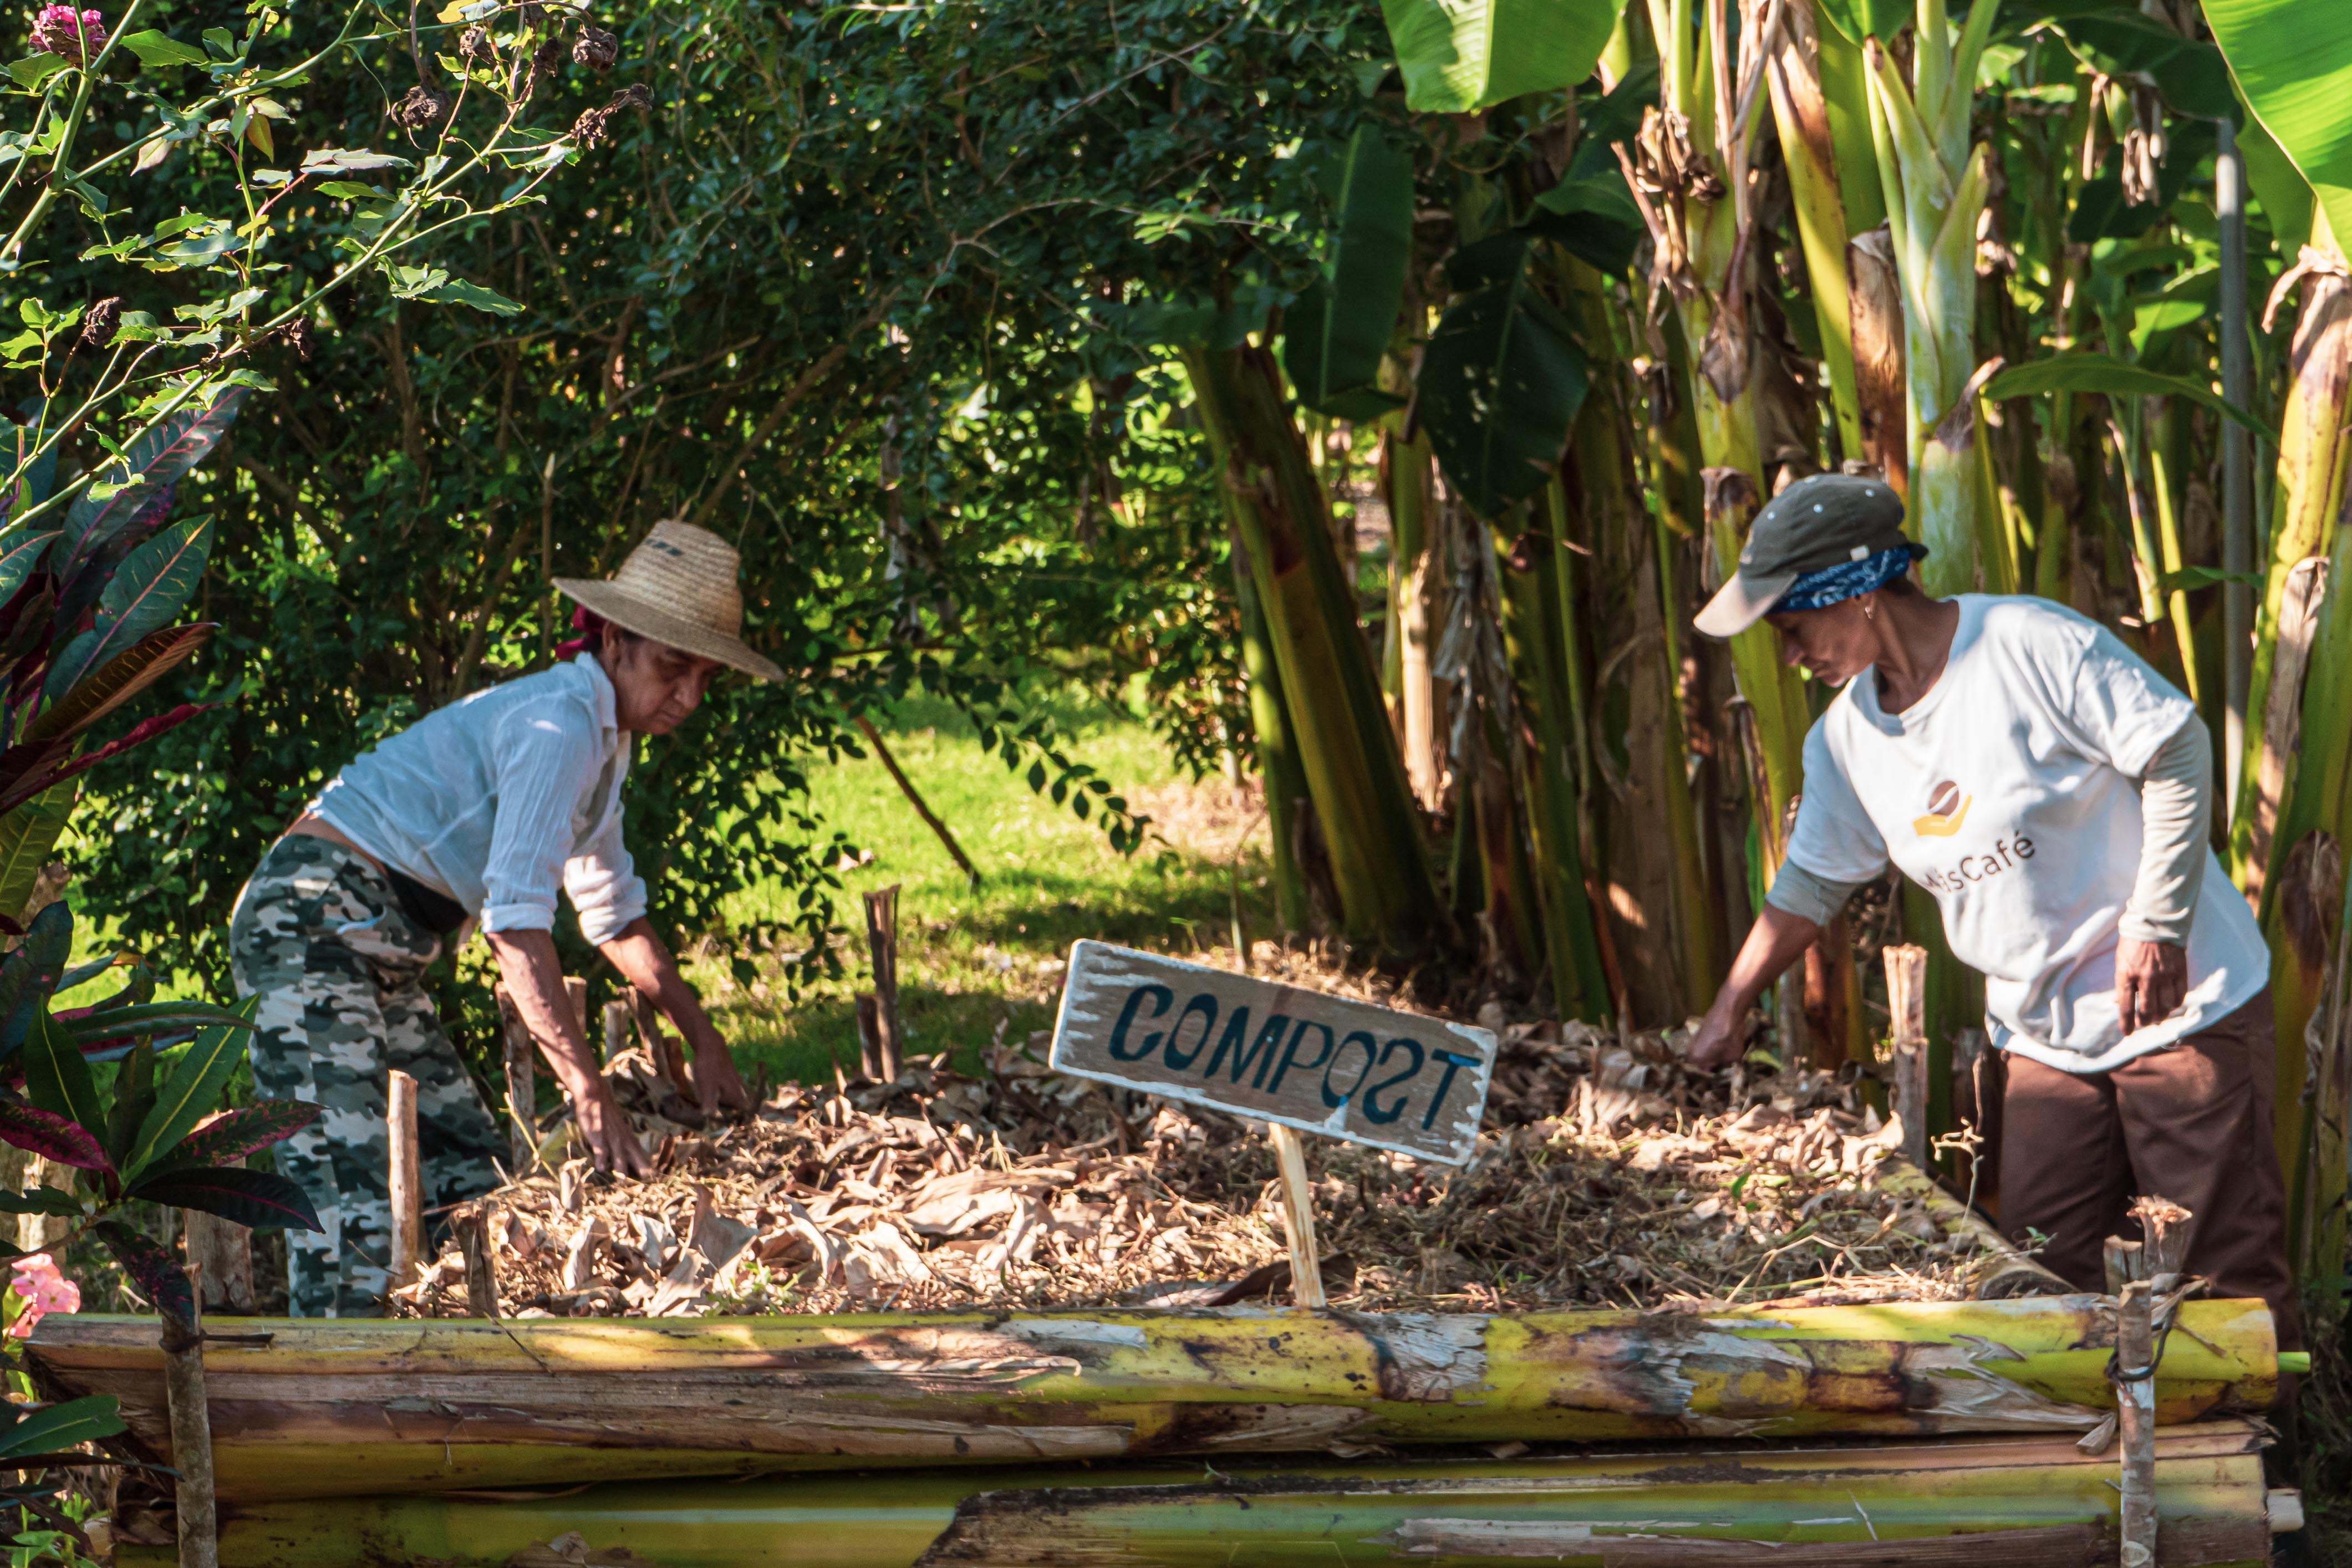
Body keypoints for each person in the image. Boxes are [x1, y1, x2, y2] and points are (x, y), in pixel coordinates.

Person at [1682, 473, 2294, 1346]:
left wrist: (2154, 925)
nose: (1791, 659)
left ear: (1853, 594)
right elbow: (1810, 886)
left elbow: (2175, 747)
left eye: (1793, 629)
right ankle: (2092, 1473)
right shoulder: (1846, 741)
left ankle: (2265, 1468)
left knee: (2219, 1268)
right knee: (2048, 1267)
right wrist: (1728, 1007)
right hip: (2038, 1028)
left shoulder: (2022, 642)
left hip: (2181, 1003)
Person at [229, 520, 780, 1317]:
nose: (688, 698)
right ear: (616, 639)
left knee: (467, 1168)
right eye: (673, 669)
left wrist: (703, 1036)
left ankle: (442, 1361)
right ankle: (335, 1399)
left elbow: (613, 911)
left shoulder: (602, 740)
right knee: (344, 1202)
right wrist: (586, 1087)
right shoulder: (556, 727)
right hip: (310, 922)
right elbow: (515, 928)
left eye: (703, 678)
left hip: (381, 945)